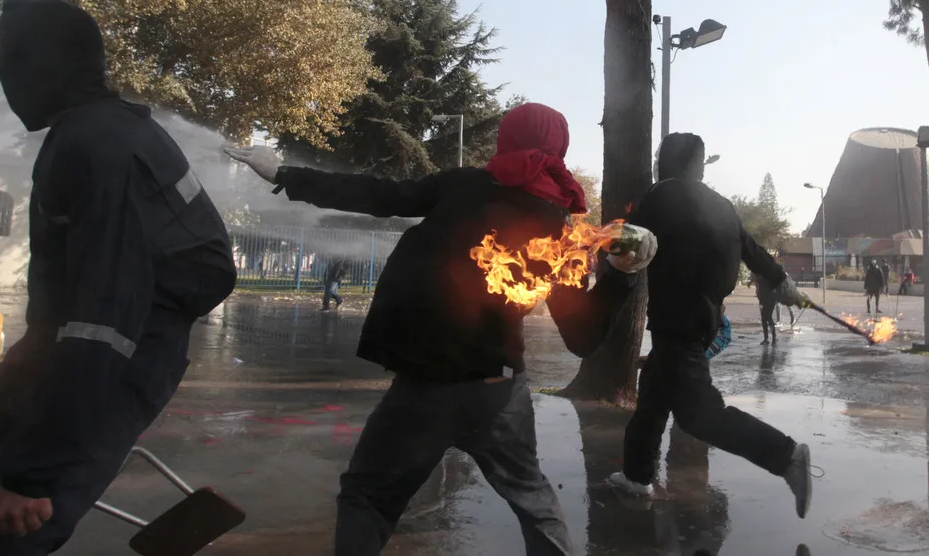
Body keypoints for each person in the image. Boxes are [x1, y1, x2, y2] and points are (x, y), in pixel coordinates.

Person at [227, 103, 657, 556]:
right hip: (498, 390)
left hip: (423, 388)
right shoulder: (559, 227)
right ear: (560, 148)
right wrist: (624, 275)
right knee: (532, 498)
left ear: (505, 140)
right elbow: (583, 338)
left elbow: (380, 195)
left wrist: (285, 174)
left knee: (368, 497)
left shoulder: (462, 186)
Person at [0, 0, 237, 556]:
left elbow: (105, 318)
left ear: (40, 67)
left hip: (112, 367)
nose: (4, 81)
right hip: (60, 354)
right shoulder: (99, 131)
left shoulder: (98, 145)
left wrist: (33, 477)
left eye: (9, 65)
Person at [601, 132, 813, 520]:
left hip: (677, 320)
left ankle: (785, 456)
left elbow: (625, 247)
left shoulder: (659, 196)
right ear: (698, 165)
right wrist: (784, 283)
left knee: (700, 415)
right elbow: (754, 252)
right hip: (704, 320)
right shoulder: (725, 207)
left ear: (665, 161)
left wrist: (596, 266)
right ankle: (635, 476)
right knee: (653, 397)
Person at [753, 272, 780, 345]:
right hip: (762, 298)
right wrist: (757, 290)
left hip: (771, 298)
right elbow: (757, 283)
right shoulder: (758, 273)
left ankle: (774, 338)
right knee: (763, 318)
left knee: (768, 317)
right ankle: (766, 339)